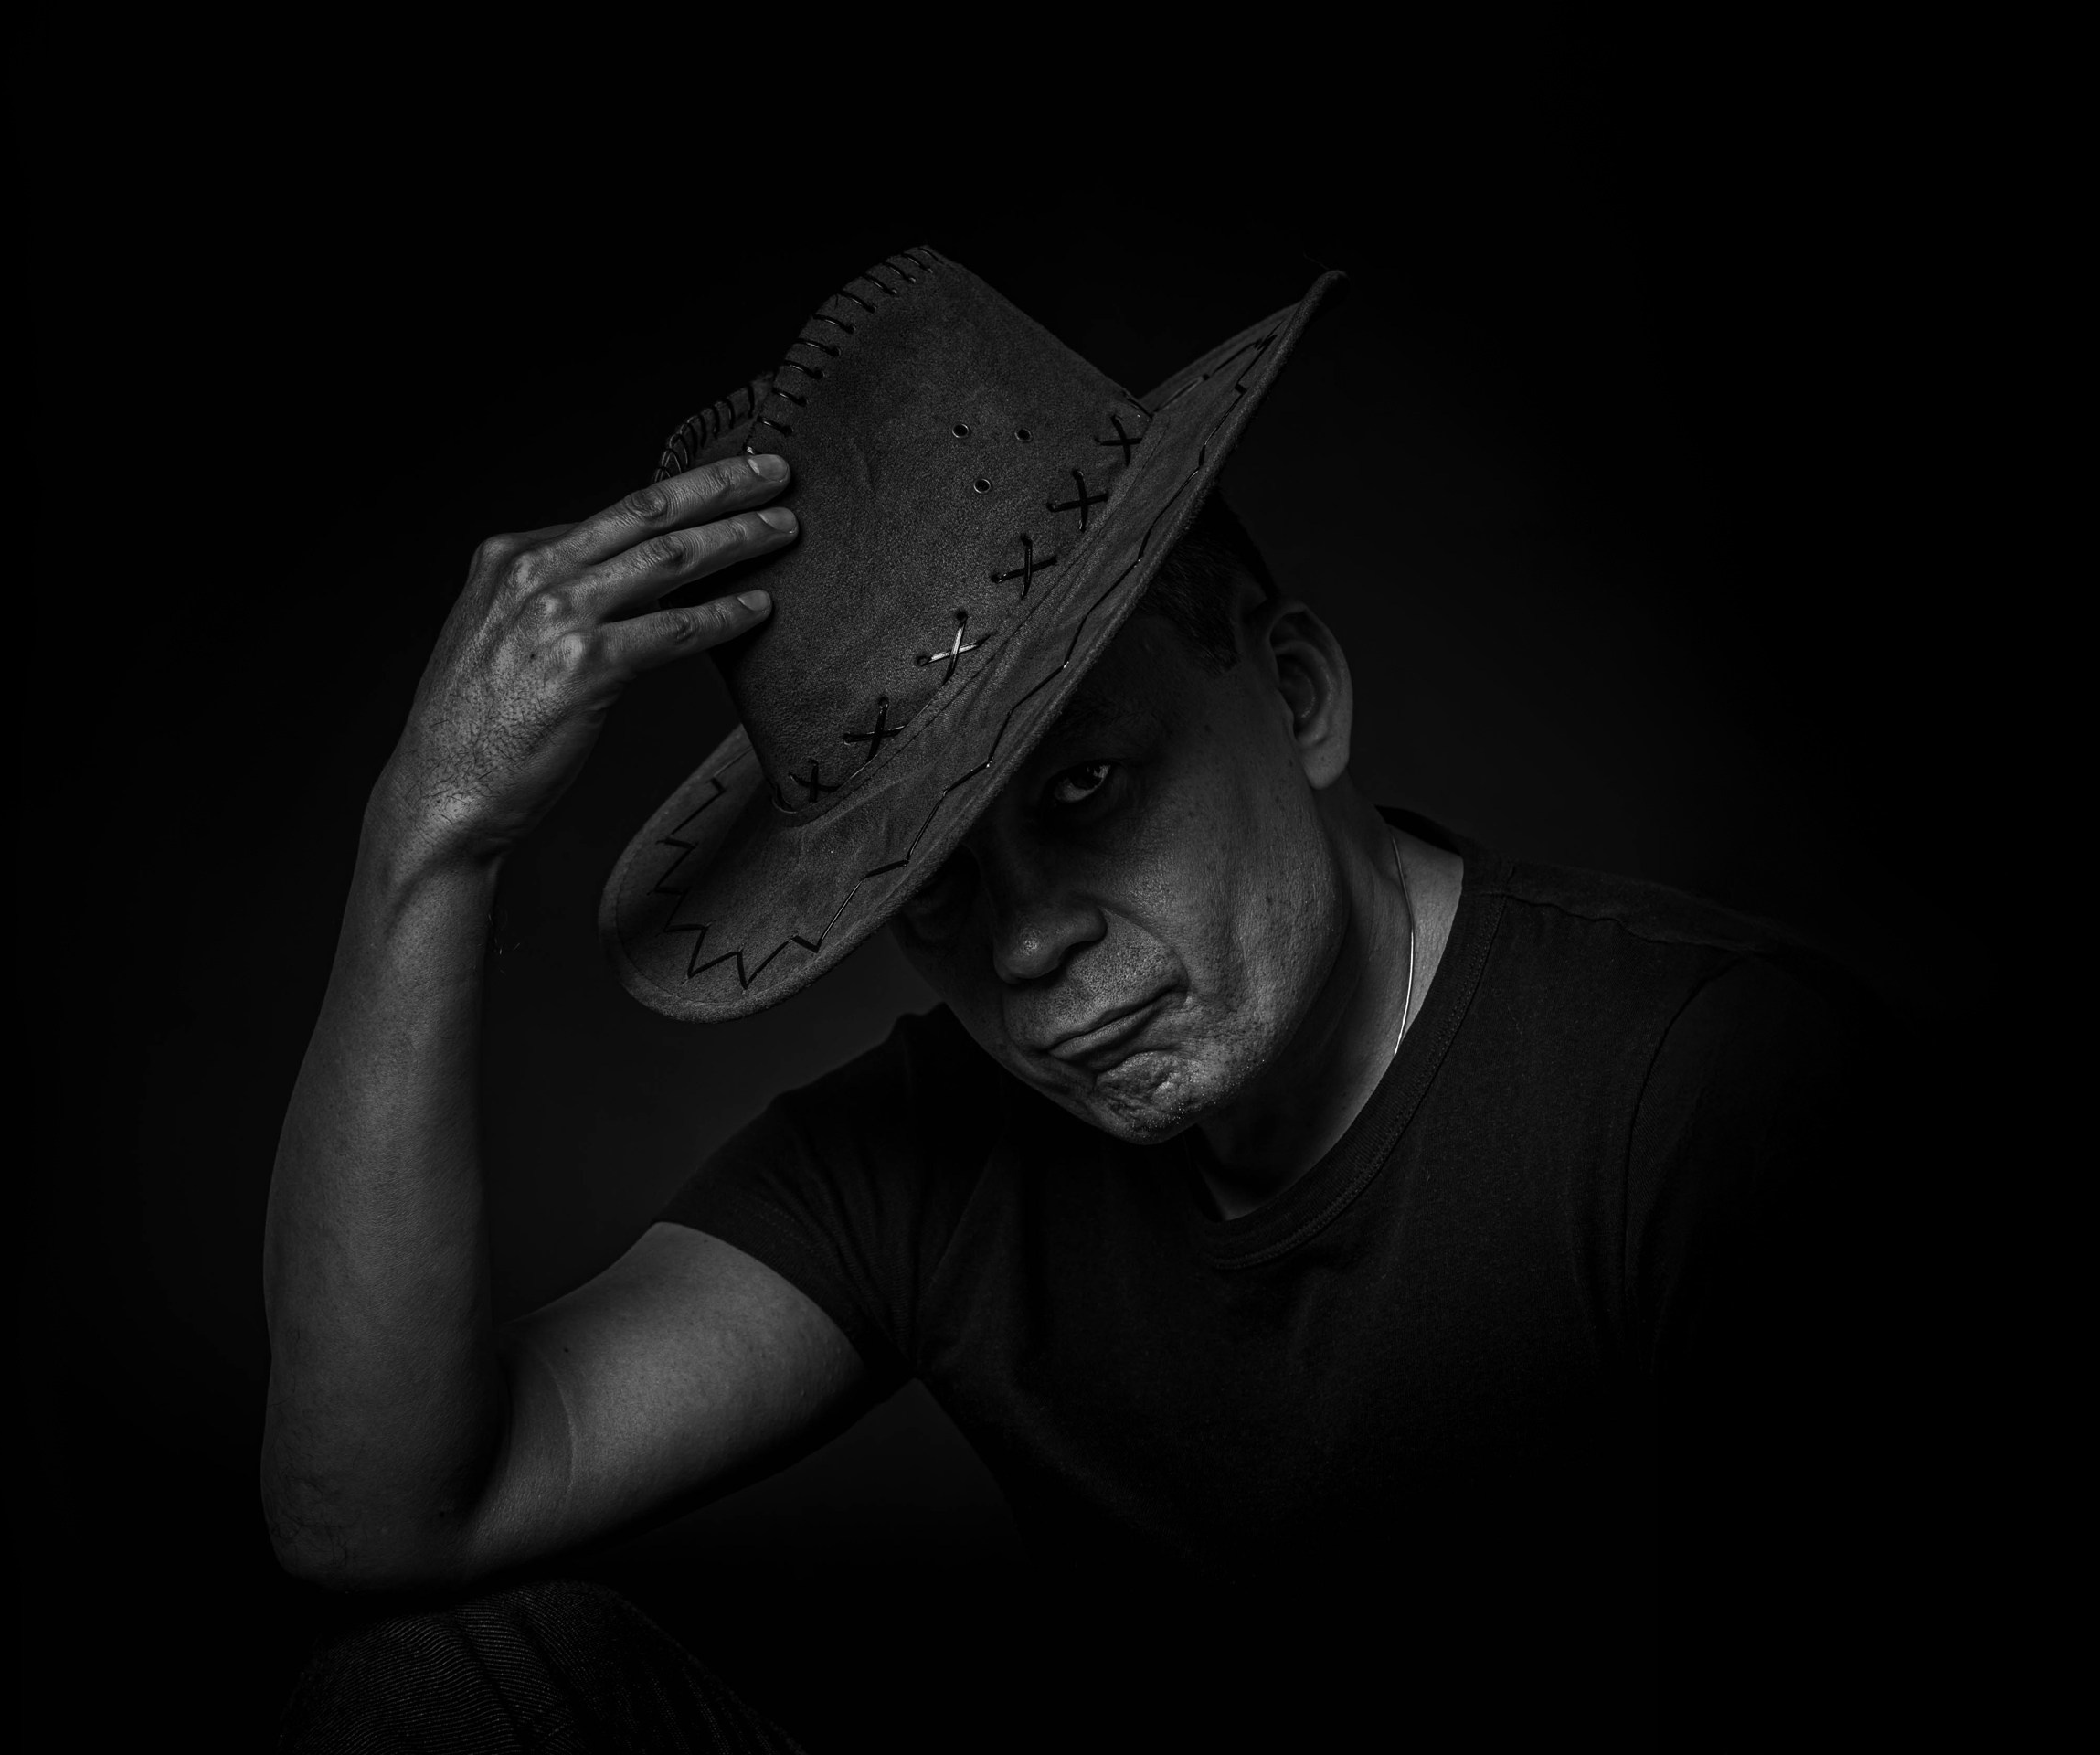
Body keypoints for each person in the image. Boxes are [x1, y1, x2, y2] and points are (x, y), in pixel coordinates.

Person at [263, 248, 1913, 1750]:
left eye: (1087, 791)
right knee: (437, 1698)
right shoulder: (933, 1153)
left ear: (1294, 693)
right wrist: (429, 842)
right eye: (937, 892)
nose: (1029, 947)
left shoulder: (1715, 1095)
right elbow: (382, 1511)